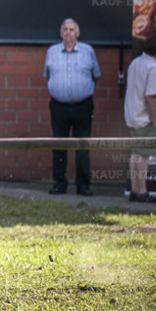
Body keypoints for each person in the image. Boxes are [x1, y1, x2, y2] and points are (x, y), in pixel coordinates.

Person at [44, 18, 100, 195]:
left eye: (72, 29)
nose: (68, 32)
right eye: (65, 29)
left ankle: (83, 185)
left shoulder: (87, 51)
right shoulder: (52, 52)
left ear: (78, 33)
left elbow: (96, 75)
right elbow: (47, 75)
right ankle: (60, 183)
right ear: (61, 33)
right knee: (59, 146)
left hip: (83, 106)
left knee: (82, 146)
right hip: (58, 107)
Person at [124, 32, 156, 203]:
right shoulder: (154, 68)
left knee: (135, 154)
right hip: (145, 118)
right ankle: (142, 191)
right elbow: (150, 96)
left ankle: (134, 190)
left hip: (132, 115)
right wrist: (154, 120)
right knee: (144, 156)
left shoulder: (135, 63)